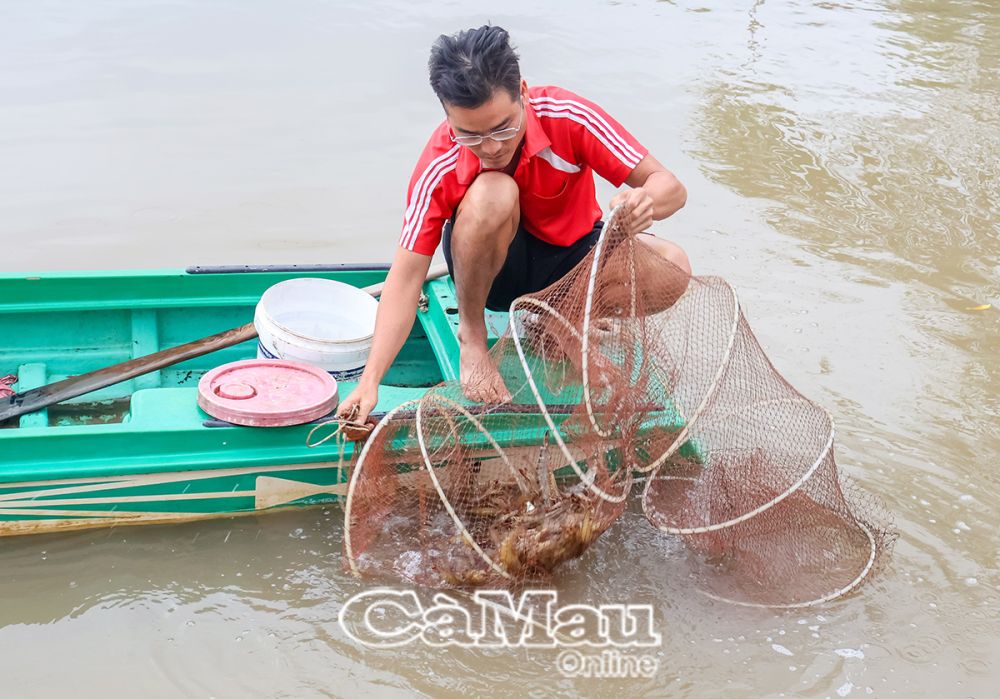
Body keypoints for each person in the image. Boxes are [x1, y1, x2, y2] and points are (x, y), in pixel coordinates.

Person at [337, 25, 688, 422]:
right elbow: (405, 278)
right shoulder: (439, 161)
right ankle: (472, 338)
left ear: (522, 92)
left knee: (673, 265)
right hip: (492, 275)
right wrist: (369, 382)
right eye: (470, 134)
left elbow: (671, 187)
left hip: (571, 263)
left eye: (503, 127)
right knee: (493, 192)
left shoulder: (568, 116)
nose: (491, 147)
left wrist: (645, 201)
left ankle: (561, 321)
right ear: (448, 117)